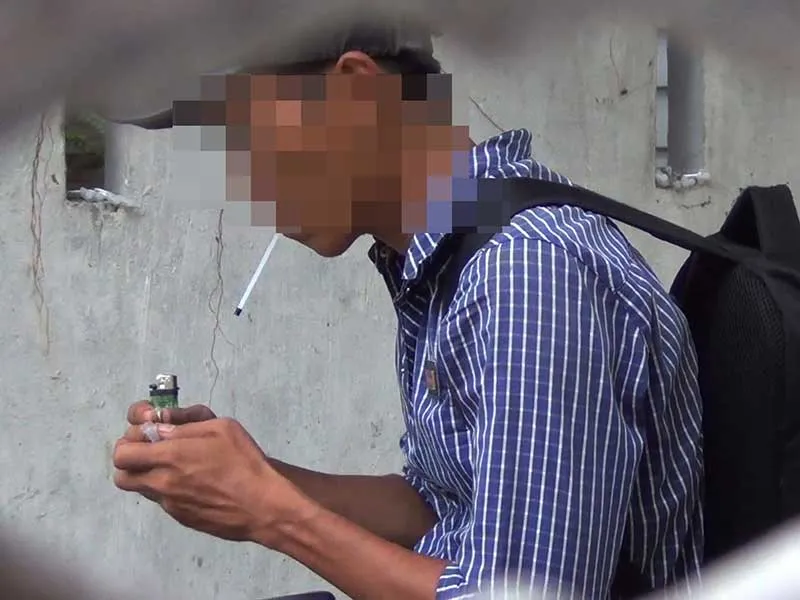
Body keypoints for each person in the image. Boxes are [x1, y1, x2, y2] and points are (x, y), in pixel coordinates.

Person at [112, 17, 704, 599]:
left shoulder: (526, 273)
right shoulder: (449, 258)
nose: (238, 181)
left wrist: (274, 514)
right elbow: (439, 509)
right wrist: (246, 479)